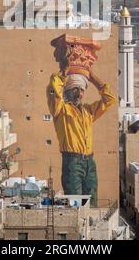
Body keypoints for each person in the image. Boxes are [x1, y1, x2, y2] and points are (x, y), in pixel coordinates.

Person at [46, 69, 116, 207]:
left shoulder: (88, 111)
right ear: (67, 91)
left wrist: (92, 77)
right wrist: (63, 73)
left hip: (90, 162)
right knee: (76, 204)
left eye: (82, 90)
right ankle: (80, 227)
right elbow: (53, 91)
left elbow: (109, 99)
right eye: (75, 89)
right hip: (72, 162)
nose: (79, 93)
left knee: (92, 201)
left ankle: (91, 225)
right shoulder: (61, 110)